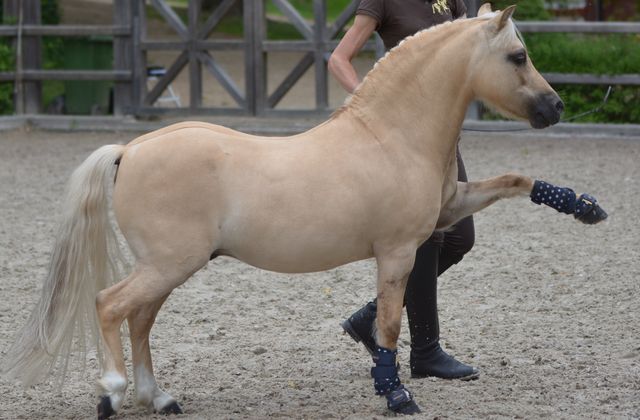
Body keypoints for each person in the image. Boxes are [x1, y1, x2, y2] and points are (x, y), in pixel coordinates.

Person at [328, 0, 608, 381]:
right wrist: (375, 103)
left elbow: (480, 37)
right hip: (402, 141)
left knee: (460, 238)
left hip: (440, 139)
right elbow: (339, 59)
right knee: (428, 239)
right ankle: (425, 351)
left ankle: (371, 318)